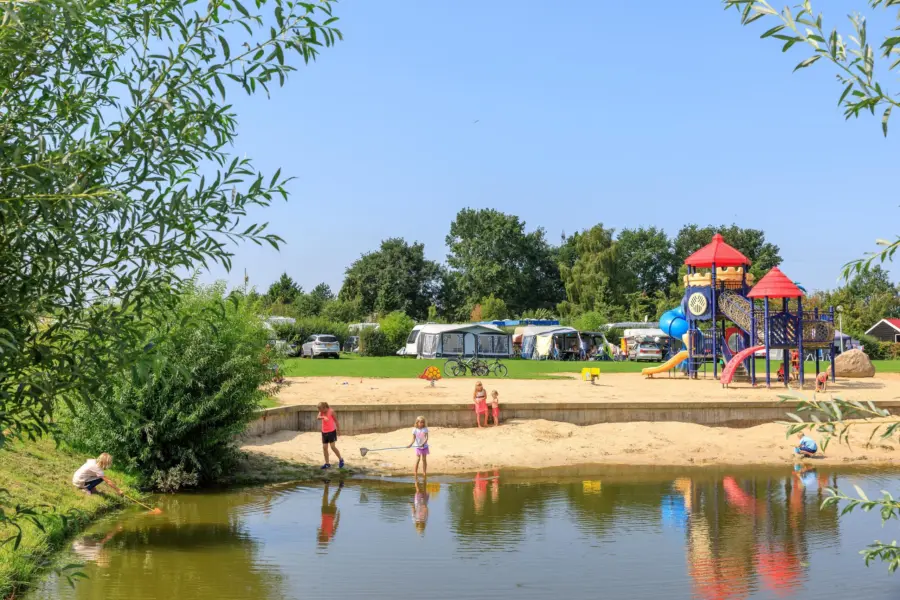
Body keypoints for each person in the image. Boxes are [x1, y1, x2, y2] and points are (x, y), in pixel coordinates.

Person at [316, 402, 344, 470]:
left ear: (324, 408)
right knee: (324, 447)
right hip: (324, 432)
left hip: (332, 431)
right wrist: (323, 417)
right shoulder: (321, 412)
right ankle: (327, 464)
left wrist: (339, 430)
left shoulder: (331, 411)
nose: (320, 411)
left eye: (320, 410)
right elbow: (318, 417)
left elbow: (336, 421)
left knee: (332, 447)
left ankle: (341, 459)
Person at [317, 480, 342, 547]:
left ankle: (329, 484)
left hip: (328, 514)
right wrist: (338, 517)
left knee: (329, 498)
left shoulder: (327, 534)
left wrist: (338, 517)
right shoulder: (330, 534)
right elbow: (336, 525)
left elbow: (336, 525)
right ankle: (337, 487)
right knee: (330, 498)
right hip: (328, 514)